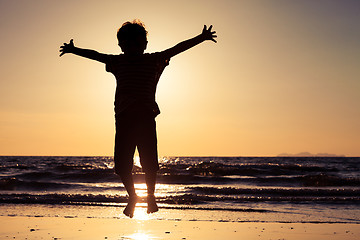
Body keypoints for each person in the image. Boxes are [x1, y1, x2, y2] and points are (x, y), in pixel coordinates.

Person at [59, 20, 217, 218]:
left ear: (144, 44)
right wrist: (75, 50)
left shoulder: (154, 60)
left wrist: (201, 38)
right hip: (124, 120)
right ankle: (132, 196)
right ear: (121, 46)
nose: (131, 47)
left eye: (136, 43)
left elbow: (177, 48)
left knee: (149, 163)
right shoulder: (118, 62)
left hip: (145, 118)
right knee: (122, 165)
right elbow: (96, 55)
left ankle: (150, 196)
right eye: (126, 44)